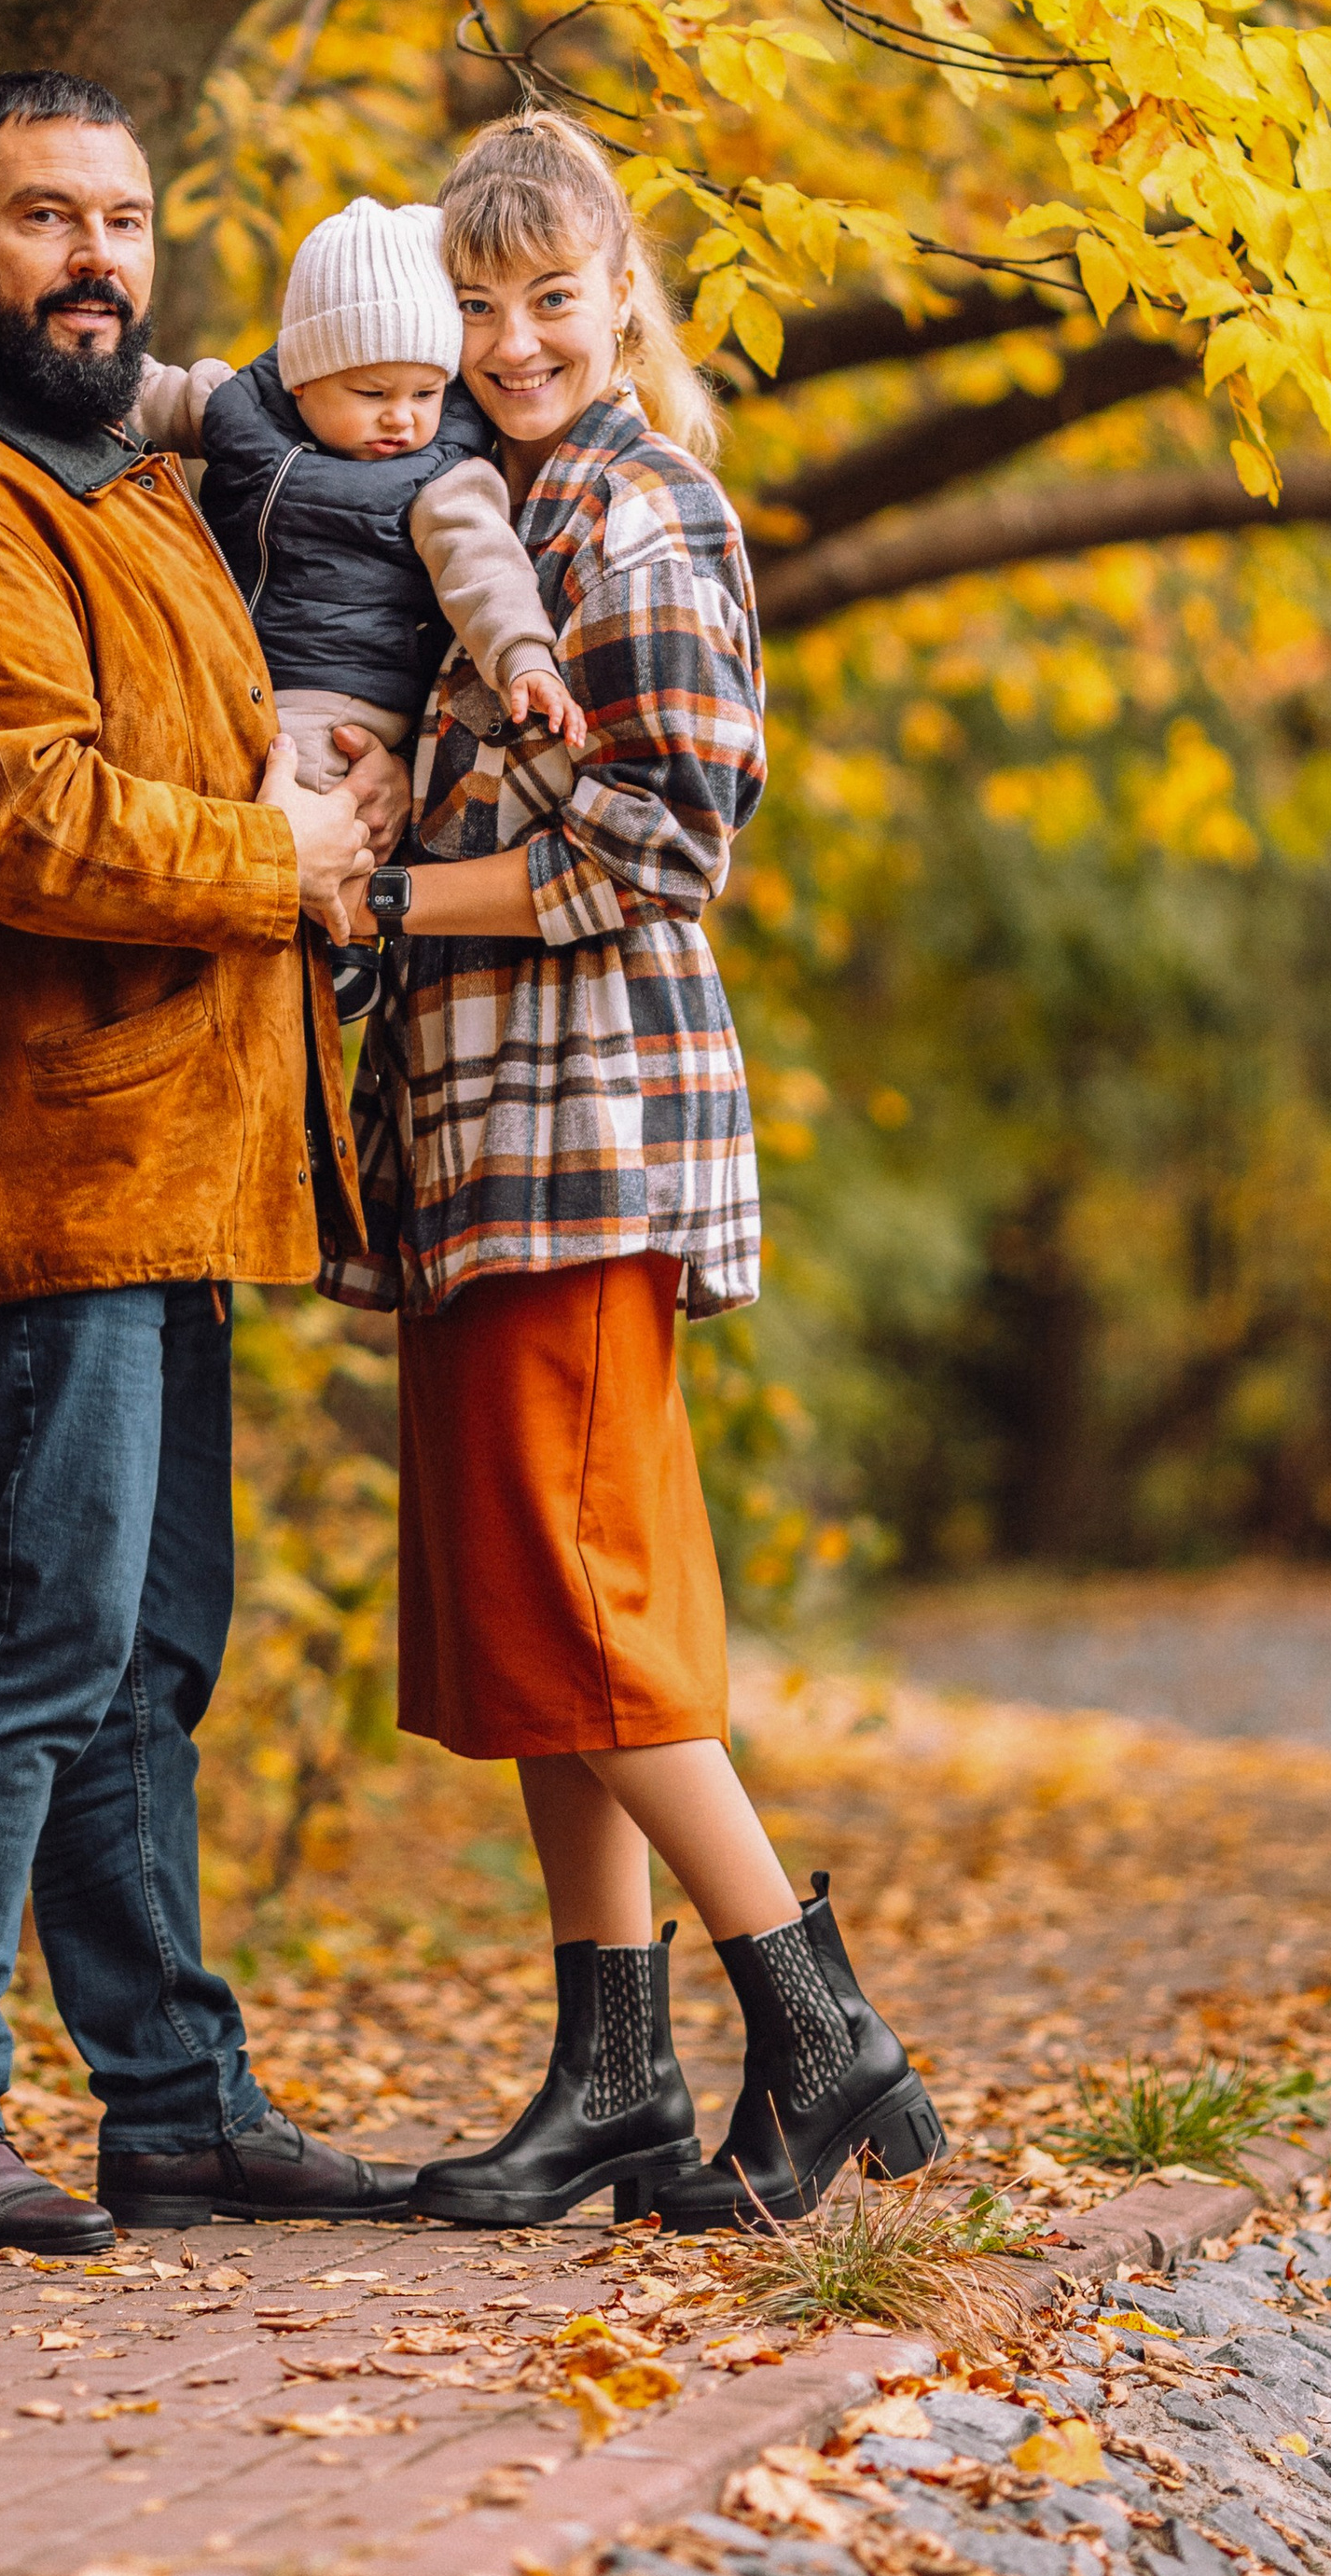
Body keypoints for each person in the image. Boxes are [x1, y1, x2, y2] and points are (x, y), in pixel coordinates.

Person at [0, 68, 419, 2253]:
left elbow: (202, 728)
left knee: (153, 1640)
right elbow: (32, 830)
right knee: (42, 1624)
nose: (91, 258)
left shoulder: (115, 481)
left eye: (124, 222)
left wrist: (319, 771)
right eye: (42, 217)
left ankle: (168, 2105)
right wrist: (279, 852)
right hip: (35, 1157)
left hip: (171, 1156)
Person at [325, 110, 945, 2231]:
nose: (507, 337)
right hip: (488, 1151)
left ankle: (815, 2020)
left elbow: (659, 847)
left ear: (617, 293)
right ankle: (609, 2074)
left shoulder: (634, 514)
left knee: (587, 1611)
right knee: (532, 1625)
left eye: (547, 296)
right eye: (473, 304)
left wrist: (406, 903)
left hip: (587, 1135)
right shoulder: (492, 503)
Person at [137, 197, 585, 1017]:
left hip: (343, 691)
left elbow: (483, 566)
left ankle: (340, 939)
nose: (401, 417)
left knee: (304, 779)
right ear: (303, 379)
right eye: (373, 391)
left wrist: (524, 655)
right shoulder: (240, 411)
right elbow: (154, 394)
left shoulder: (437, 471)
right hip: (241, 667)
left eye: (425, 390)